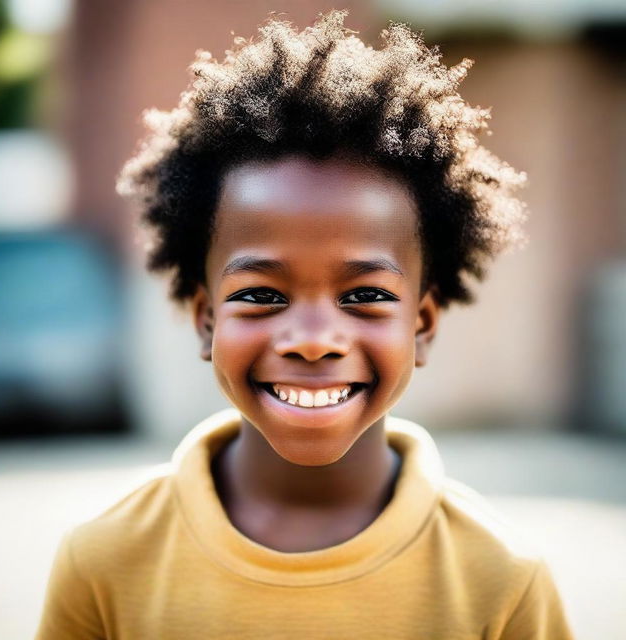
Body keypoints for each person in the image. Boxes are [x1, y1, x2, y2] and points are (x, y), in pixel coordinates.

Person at [36, 10, 574, 639]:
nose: (315, 339)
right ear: (205, 320)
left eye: (366, 294)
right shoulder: (104, 562)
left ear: (422, 326)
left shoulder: (501, 581)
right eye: (261, 294)